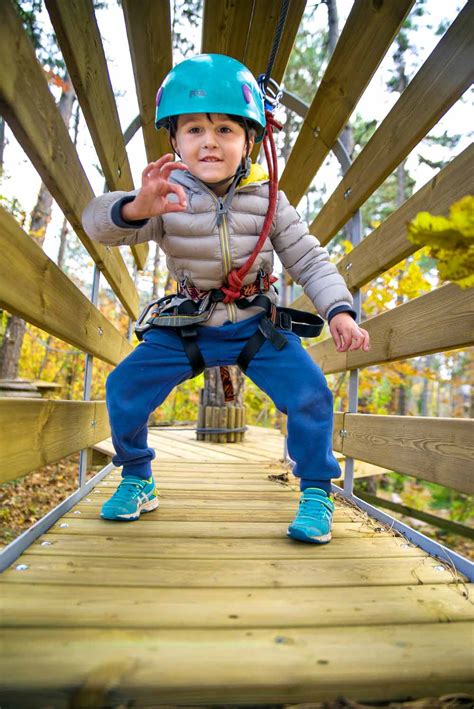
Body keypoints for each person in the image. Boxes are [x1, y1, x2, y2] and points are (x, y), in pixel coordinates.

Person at [82, 54, 370, 544]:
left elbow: (308, 258)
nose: (210, 141)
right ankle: (137, 477)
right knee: (124, 386)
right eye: (194, 129)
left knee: (311, 394)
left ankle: (317, 491)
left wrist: (339, 310)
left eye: (225, 130)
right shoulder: (165, 197)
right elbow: (98, 224)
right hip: (189, 324)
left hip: (254, 324)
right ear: (175, 142)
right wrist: (135, 208)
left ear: (249, 141)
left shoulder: (269, 198)